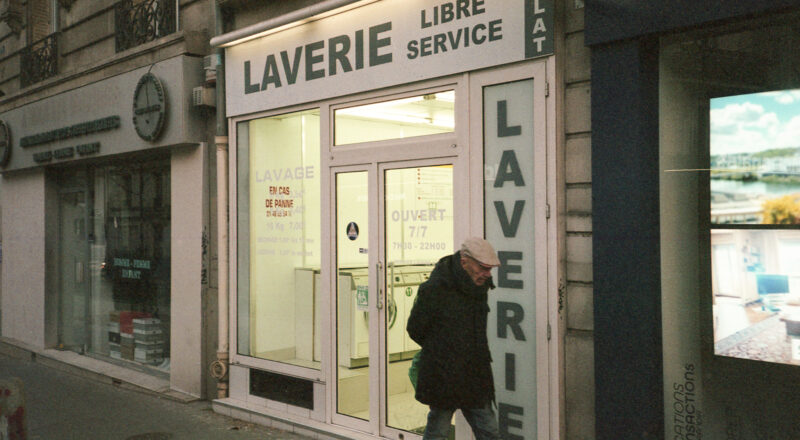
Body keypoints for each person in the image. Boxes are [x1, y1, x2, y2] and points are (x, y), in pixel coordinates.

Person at [407, 237, 502, 440]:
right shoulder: (435, 289)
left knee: (489, 431)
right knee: (438, 431)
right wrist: (442, 349)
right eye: (483, 268)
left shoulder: (479, 286)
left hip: (474, 374)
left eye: (490, 269)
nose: (487, 274)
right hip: (444, 373)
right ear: (464, 261)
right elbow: (415, 328)